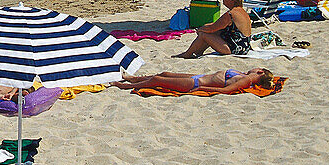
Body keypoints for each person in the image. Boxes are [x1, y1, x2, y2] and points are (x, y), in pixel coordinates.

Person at [176, 0, 252, 58]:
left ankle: (187, 54)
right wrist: (204, 27)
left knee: (203, 34)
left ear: (233, 0)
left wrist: (200, 29)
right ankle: (199, 52)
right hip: (244, 47)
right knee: (213, 32)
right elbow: (216, 25)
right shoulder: (241, 11)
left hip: (235, 49)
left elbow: (211, 28)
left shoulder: (230, 14)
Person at [113, 67, 272, 92]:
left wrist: (203, 89)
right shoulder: (244, 75)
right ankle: (133, 79)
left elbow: (226, 90)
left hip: (197, 83)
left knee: (157, 79)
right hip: (198, 77)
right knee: (165, 73)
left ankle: (124, 86)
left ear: (260, 72)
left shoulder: (246, 81)